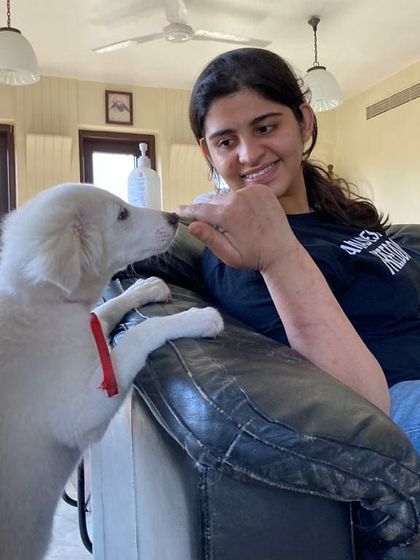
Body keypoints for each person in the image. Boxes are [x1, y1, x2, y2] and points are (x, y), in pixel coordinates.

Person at [176, 47, 420, 452]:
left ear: (304, 121)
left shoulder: (337, 218)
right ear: (207, 152)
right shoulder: (240, 256)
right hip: (401, 400)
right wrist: (278, 255)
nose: (249, 154)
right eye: (226, 141)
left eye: (266, 128)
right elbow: (357, 406)